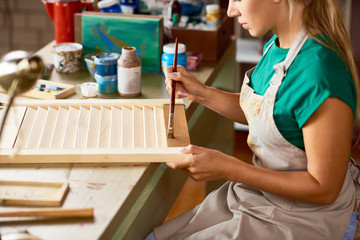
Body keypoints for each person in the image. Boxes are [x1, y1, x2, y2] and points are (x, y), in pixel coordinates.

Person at [146, 0, 360, 239]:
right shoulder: (277, 46)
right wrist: (201, 93)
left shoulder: (320, 73)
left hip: (303, 216)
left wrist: (229, 168)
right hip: (261, 197)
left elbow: (324, 189)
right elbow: (268, 114)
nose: (230, 11)